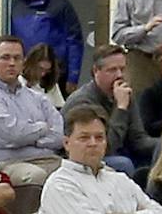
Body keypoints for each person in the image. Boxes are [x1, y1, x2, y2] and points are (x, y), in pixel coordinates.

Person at [65, 45, 154, 173]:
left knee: (161, 155)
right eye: (112, 70)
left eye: (122, 69)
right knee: (124, 164)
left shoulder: (124, 93)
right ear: (96, 71)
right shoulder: (83, 101)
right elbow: (105, 146)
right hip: (85, 158)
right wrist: (121, 108)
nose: (119, 75)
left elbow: (138, 140)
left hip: (122, 152)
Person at [11, 0, 87, 97]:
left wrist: (73, 77)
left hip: (54, 74)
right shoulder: (17, 6)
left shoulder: (60, 6)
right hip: (25, 73)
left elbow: (74, 42)